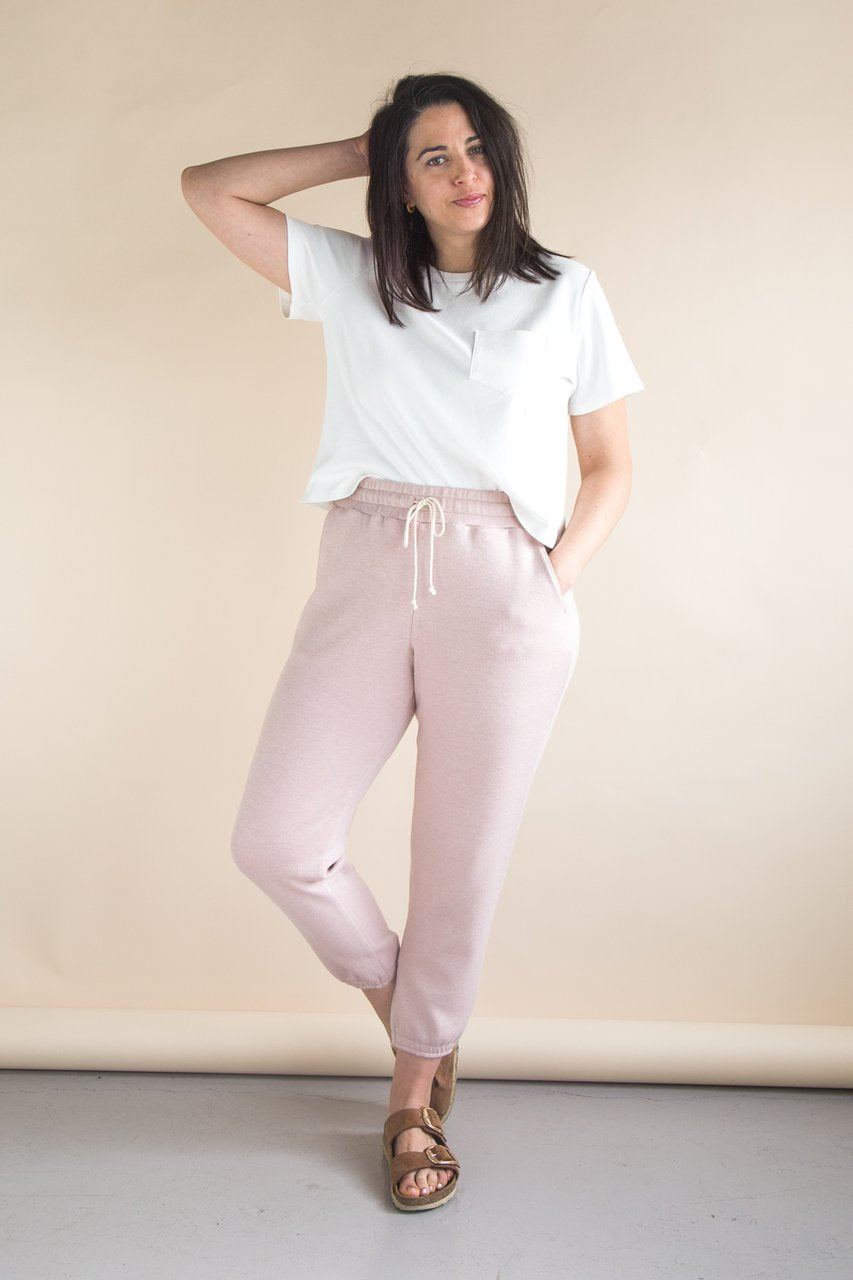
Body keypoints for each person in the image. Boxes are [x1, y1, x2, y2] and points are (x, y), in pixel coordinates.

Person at [181, 70, 644, 1213]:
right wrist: (361, 148)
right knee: (278, 838)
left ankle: (408, 1100)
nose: (464, 172)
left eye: (476, 147)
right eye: (433, 155)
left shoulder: (564, 291)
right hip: (368, 556)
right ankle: (415, 1016)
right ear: (400, 178)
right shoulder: (352, 277)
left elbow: (608, 466)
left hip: (505, 582)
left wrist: (549, 579)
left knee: (456, 861)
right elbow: (210, 190)